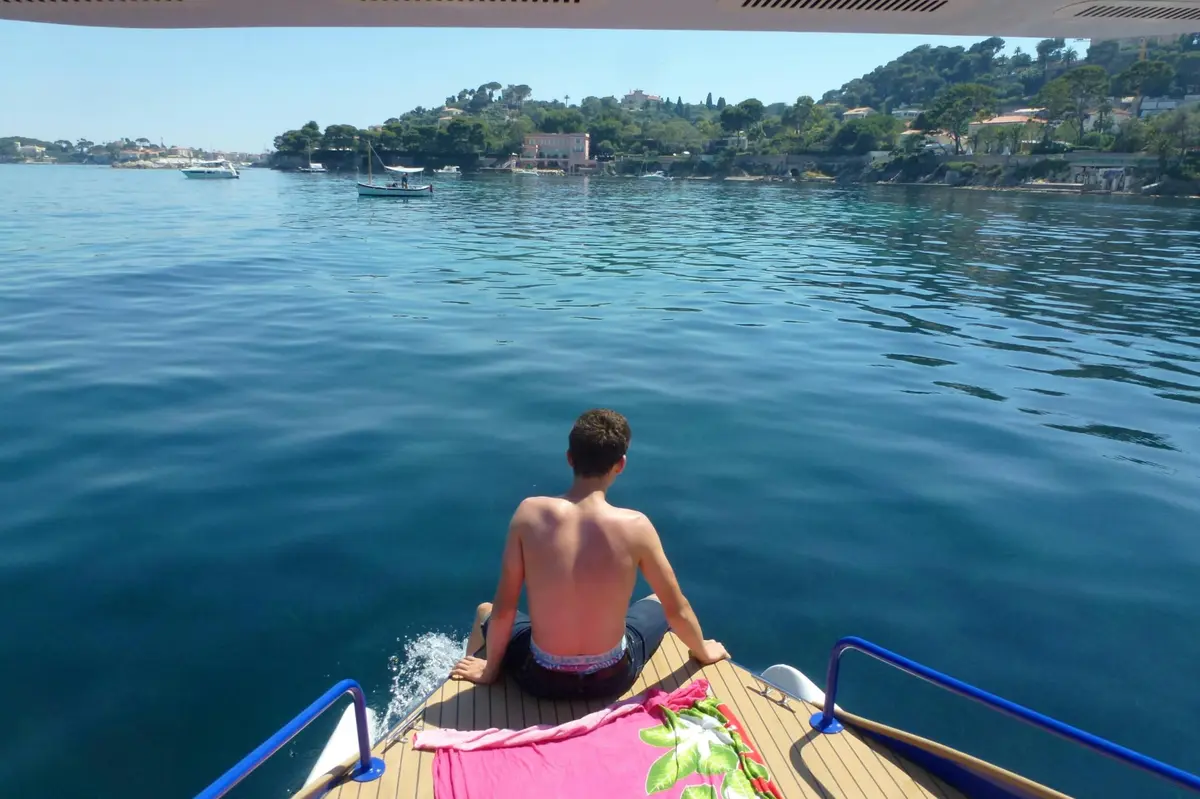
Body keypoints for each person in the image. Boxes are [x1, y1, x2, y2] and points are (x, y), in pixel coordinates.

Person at [450, 408, 729, 701]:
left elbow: (505, 609)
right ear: (620, 464)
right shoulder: (637, 526)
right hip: (611, 678)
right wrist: (704, 651)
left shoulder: (528, 515)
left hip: (541, 678)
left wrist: (491, 668)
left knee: (486, 609)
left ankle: (479, 687)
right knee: (660, 601)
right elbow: (677, 608)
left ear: (570, 457)